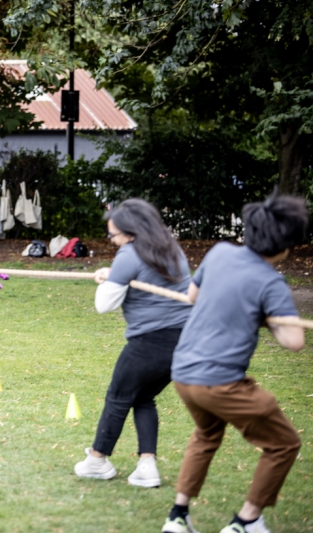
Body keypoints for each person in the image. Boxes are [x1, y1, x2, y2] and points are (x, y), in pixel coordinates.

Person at [161, 194, 307, 533]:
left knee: (207, 434)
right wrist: (270, 317)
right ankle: (246, 522)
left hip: (183, 374)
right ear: (286, 245)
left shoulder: (221, 252)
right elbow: (294, 341)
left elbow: (192, 297)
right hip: (220, 383)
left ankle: (177, 517)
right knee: (284, 443)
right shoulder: (272, 282)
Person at [74, 199, 191, 488]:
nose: (112, 241)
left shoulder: (129, 254)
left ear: (130, 231)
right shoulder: (171, 249)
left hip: (150, 342)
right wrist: (114, 276)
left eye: (113, 235)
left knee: (118, 395)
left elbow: (104, 305)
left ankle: (97, 460)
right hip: (185, 341)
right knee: (142, 397)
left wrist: (107, 278)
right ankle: (147, 466)